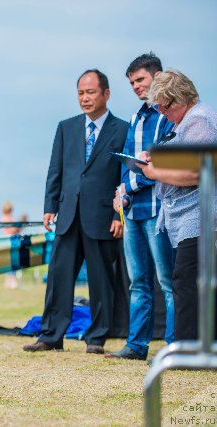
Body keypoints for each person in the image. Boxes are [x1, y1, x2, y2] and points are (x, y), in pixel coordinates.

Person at [23, 69, 129, 354]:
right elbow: (55, 169)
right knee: (58, 277)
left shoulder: (123, 129)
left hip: (103, 217)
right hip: (67, 215)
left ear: (106, 94)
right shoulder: (65, 127)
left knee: (101, 281)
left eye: (91, 92)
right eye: (81, 93)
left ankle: (96, 338)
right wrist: (49, 206)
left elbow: (124, 177)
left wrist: (119, 216)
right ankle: (50, 336)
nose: (85, 98)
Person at [136, 69, 217, 341]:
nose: (161, 112)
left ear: (182, 97)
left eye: (165, 105)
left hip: (201, 216)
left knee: (186, 279)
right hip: (191, 217)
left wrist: (153, 173)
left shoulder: (199, 122)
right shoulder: (186, 122)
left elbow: (195, 172)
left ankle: (188, 347)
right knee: (188, 280)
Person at [105, 53, 176, 361]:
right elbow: (131, 163)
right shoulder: (136, 118)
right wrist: (120, 192)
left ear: (158, 76)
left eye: (140, 80)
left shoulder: (168, 117)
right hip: (133, 211)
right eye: (131, 82)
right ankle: (136, 346)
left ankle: (175, 348)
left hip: (160, 211)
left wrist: (127, 187)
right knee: (139, 283)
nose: (135, 86)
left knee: (167, 282)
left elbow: (159, 163)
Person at [1, 202, 21, 288]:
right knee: (12, 261)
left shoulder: (7, 217)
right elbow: (12, 230)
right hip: (10, 241)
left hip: (11, 240)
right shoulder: (6, 218)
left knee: (11, 261)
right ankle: (11, 281)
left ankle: (9, 281)